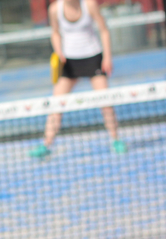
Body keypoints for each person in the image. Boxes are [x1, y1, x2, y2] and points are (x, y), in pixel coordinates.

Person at [32, 0, 125, 158]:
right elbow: (55, 32)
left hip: (93, 58)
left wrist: (107, 57)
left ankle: (116, 140)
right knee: (56, 105)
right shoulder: (55, 9)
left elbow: (104, 30)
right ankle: (46, 144)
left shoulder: (89, 5)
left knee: (106, 103)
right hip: (69, 62)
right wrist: (58, 51)